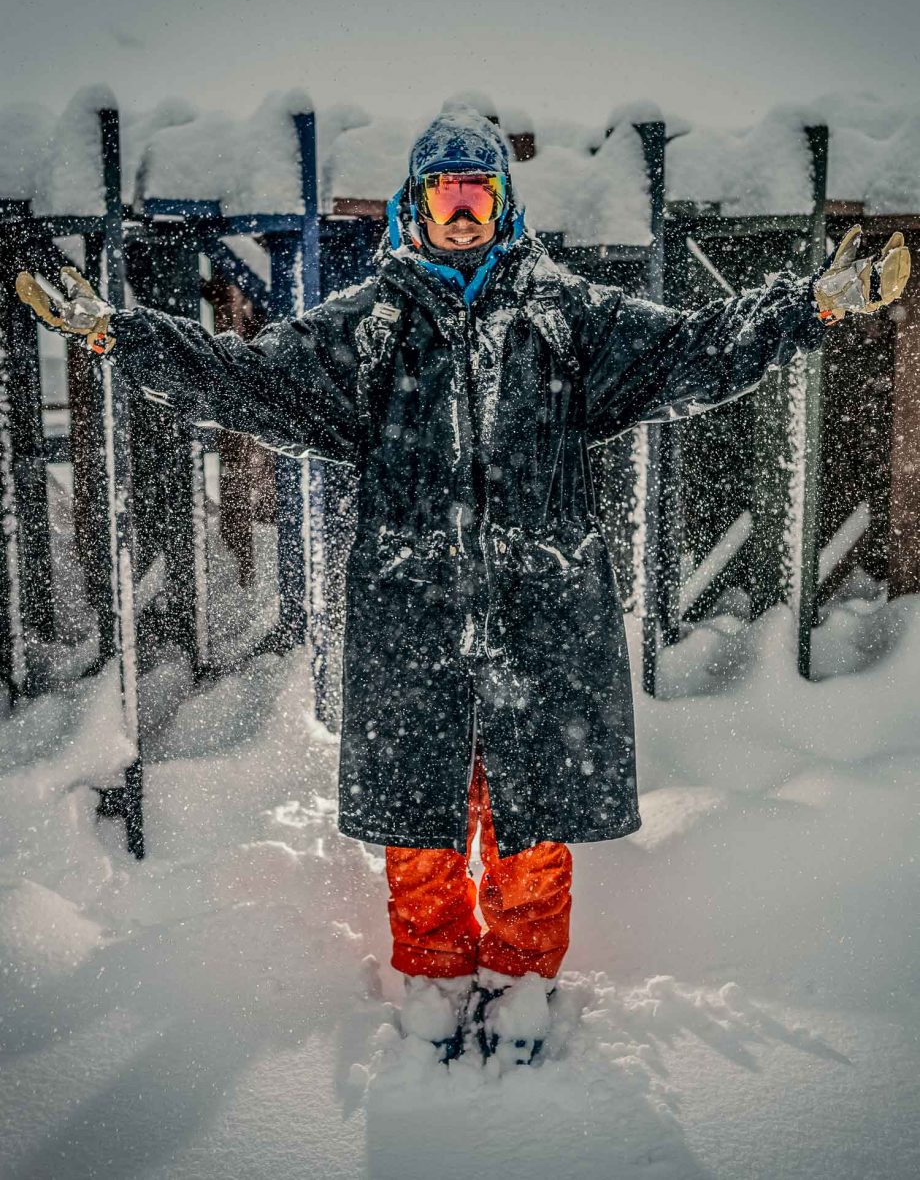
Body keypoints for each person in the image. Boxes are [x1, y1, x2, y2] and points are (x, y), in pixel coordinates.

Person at [17, 107, 910, 1066]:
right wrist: (119, 337)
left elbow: (691, 350)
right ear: (415, 202)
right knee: (424, 828)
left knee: (531, 831)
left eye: (477, 191)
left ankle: (524, 991)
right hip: (414, 622)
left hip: (542, 621)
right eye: (444, 191)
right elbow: (249, 380)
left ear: (503, 201)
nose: (461, 209)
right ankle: (437, 988)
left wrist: (810, 306)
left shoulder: (566, 320)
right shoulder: (372, 327)